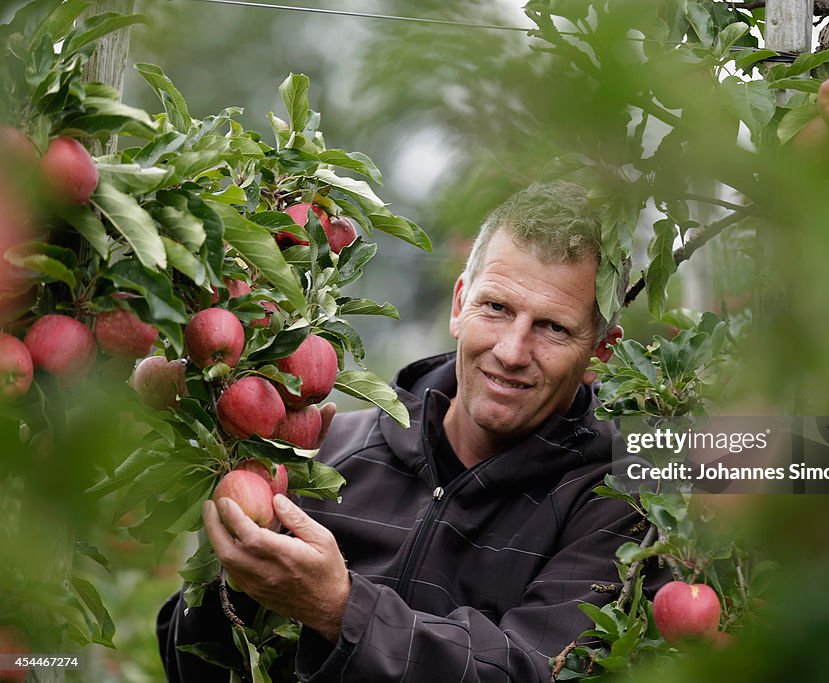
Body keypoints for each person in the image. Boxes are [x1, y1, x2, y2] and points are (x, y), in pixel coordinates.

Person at [158, 180, 650, 682]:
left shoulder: (615, 502)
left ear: (601, 352)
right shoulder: (328, 454)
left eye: (553, 328)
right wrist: (238, 554)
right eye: (496, 308)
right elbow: (192, 667)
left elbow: (533, 672)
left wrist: (338, 608)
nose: (511, 351)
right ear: (460, 304)